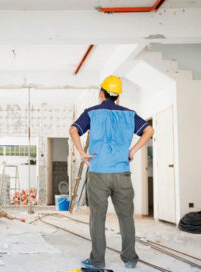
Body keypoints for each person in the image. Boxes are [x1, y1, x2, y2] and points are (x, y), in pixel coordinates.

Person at [69, 75, 154, 270]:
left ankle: (97, 262)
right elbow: (149, 131)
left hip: (98, 173)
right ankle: (130, 259)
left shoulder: (91, 113)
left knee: (97, 218)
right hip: (122, 173)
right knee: (126, 218)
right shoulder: (129, 114)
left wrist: (82, 153)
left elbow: (73, 130)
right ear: (118, 97)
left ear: (101, 93)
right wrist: (131, 151)